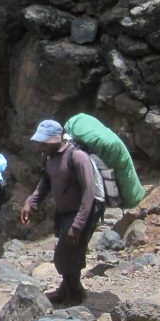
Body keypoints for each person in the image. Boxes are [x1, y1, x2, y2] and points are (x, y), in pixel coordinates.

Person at [18, 119, 105, 306]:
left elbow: (89, 193)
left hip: (84, 211)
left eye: (43, 142)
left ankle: (76, 292)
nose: (40, 147)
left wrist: (78, 224)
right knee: (69, 253)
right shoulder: (50, 158)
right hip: (65, 212)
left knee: (64, 256)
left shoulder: (78, 157)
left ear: (56, 139)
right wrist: (30, 202)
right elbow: (46, 183)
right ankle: (67, 290)